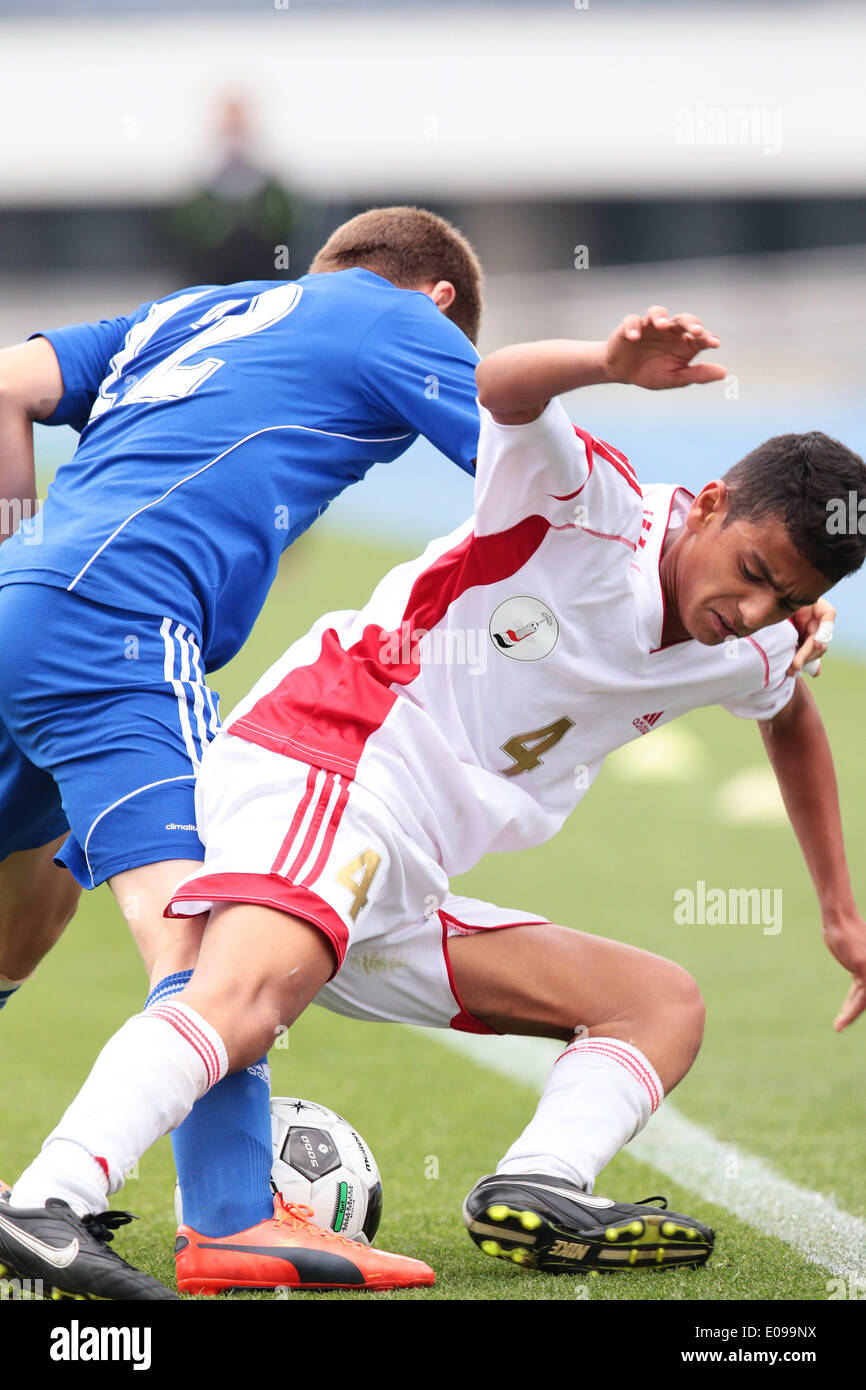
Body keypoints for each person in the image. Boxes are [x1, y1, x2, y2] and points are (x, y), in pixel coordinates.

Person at [1, 305, 858, 1299]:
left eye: (781, 596)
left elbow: (787, 714)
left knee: (656, 1003)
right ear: (708, 503)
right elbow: (502, 387)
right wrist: (606, 364)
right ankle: (51, 1197)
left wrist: (838, 913)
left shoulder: (745, 641)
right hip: (327, 759)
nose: (749, 609)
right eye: (750, 571)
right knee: (235, 996)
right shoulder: (592, 502)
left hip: (398, 874)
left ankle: (541, 1185)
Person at [0, 206, 485, 1267]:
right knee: (211, 936)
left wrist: (16, 543)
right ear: (438, 298)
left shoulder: (188, 312)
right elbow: (543, 481)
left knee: (15, 920)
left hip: (19, 600)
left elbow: (5, 381)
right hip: (120, 629)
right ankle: (226, 1221)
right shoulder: (396, 313)